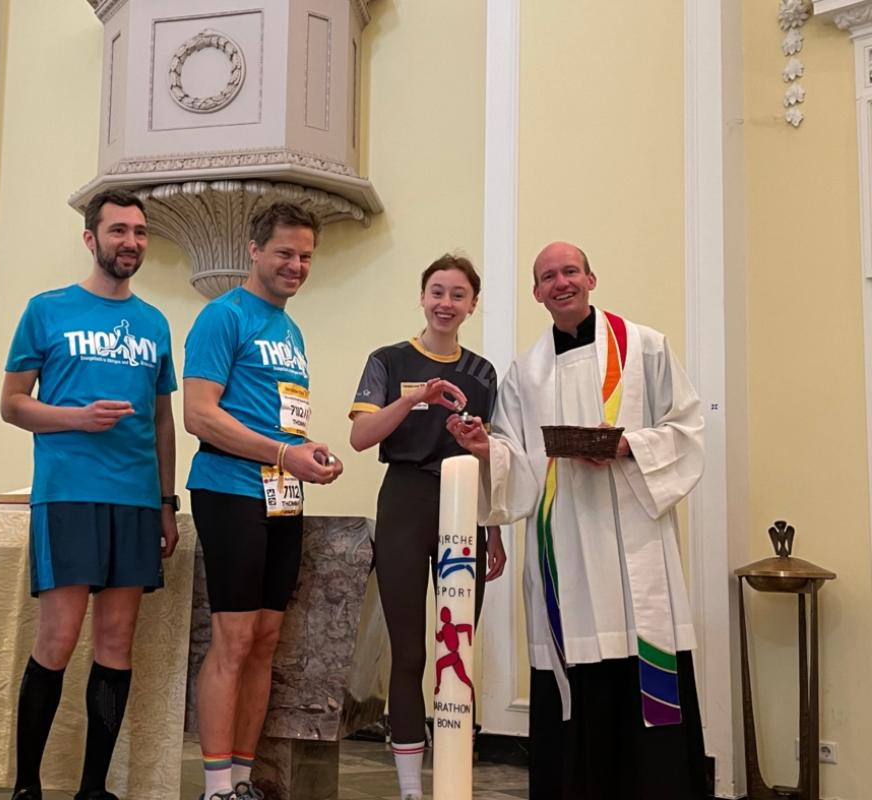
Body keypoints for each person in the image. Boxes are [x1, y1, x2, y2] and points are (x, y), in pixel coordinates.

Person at [454, 241, 707, 800]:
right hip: (564, 541)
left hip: (634, 538)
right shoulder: (527, 370)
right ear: (536, 292)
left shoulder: (644, 348)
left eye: (570, 271)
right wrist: (482, 448)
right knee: (577, 664)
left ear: (591, 278)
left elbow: (688, 429)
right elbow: (515, 457)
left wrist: (627, 446)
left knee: (643, 656)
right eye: (548, 276)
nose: (560, 282)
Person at [2, 189, 179, 800]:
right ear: (91, 238)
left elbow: (162, 422)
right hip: (69, 494)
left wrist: (166, 502)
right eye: (118, 231)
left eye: (139, 232)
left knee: (115, 643)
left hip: (135, 502)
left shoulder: (155, 322)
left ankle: (92, 789)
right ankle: (27, 785)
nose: (130, 241)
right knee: (57, 638)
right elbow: (13, 405)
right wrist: (76, 418)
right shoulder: (46, 310)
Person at [183, 202, 342, 800]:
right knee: (234, 638)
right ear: (254, 250)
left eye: (305, 256)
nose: (296, 265)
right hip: (229, 489)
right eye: (284, 253)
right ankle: (216, 787)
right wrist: (281, 454)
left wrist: (304, 451)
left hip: (282, 492)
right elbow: (199, 415)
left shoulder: (290, 329)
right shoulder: (222, 316)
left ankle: (244, 780)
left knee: (266, 639)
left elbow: (277, 419)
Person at [347, 254, 506, 800]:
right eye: (437, 291)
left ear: (471, 305)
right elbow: (362, 438)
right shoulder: (387, 360)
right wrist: (413, 398)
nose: (446, 303)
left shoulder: (483, 374)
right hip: (406, 503)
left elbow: (495, 457)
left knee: (455, 649)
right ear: (422, 296)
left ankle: (455, 780)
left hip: (466, 510)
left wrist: (497, 530)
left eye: (457, 294)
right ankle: (412, 788)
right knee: (410, 652)